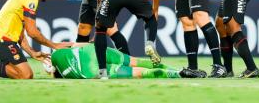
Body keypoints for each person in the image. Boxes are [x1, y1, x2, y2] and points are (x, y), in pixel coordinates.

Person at [47, 43, 180, 79]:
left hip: (90, 70)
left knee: (138, 73)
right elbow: (75, 44)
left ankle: (176, 75)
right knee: (137, 61)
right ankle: (179, 70)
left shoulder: (66, 75)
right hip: (93, 50)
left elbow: (53, 72)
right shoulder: (55, 54)